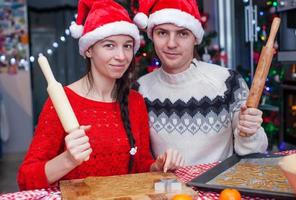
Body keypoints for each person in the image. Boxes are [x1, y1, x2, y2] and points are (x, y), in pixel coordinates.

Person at [18, 0, 184, 191]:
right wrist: (67, 160)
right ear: (88, 50)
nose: (122, 56)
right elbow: (25, 178)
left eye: (127, 46)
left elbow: (140, 163)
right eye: (109, 46)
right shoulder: (62, 101)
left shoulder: (135, 101)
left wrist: (157, 166)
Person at [133, 0, 268, 166]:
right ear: (152, 36)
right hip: (167, 189)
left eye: (182, 33)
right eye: (162, 33)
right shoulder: (140, 89)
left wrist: (249, 133)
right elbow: (139, 159)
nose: (171, 44)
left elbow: (255, 151)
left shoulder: (228, 82)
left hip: (220, 189)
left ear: (195, 38)